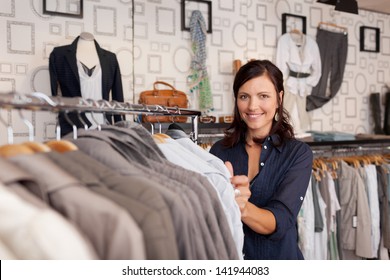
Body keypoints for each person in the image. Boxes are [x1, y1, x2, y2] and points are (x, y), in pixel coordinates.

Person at [210, 59, 313, 260]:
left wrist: (241, 206)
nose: (252, 106)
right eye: (244, 96)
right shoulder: (219, 151)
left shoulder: (298, 154)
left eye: (263, 96)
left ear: (279, 98)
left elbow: (281, 220)